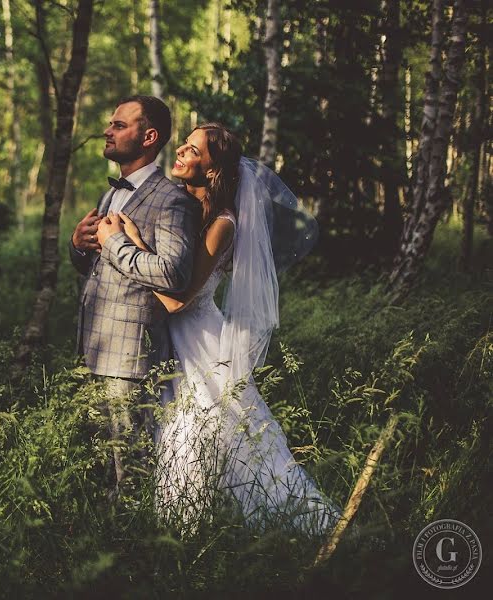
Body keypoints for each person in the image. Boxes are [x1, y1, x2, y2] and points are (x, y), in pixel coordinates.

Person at [112, 123, 340, 535]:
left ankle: (201, 527)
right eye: (184, 145)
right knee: (179, 433)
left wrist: (129, 246)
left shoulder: (223, 224)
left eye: (193, 150)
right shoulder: (180, 206)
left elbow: (177, 298)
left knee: (214, 433)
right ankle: (183, 527)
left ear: (213, 170)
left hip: (198, 339)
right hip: (171, 337)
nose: (180, 151)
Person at [69, 95, 200, 494]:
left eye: (119, 125)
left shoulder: (171, 200)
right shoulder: (110, 194)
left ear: (149, 136)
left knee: (130, 473)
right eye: (110, 124)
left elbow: (173, 274)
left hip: (129, 359)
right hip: (92, 347)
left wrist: (113, 244)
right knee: (94, 470)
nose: (107, 131)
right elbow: (96, 265)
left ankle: (135, 551)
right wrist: (78, 245)